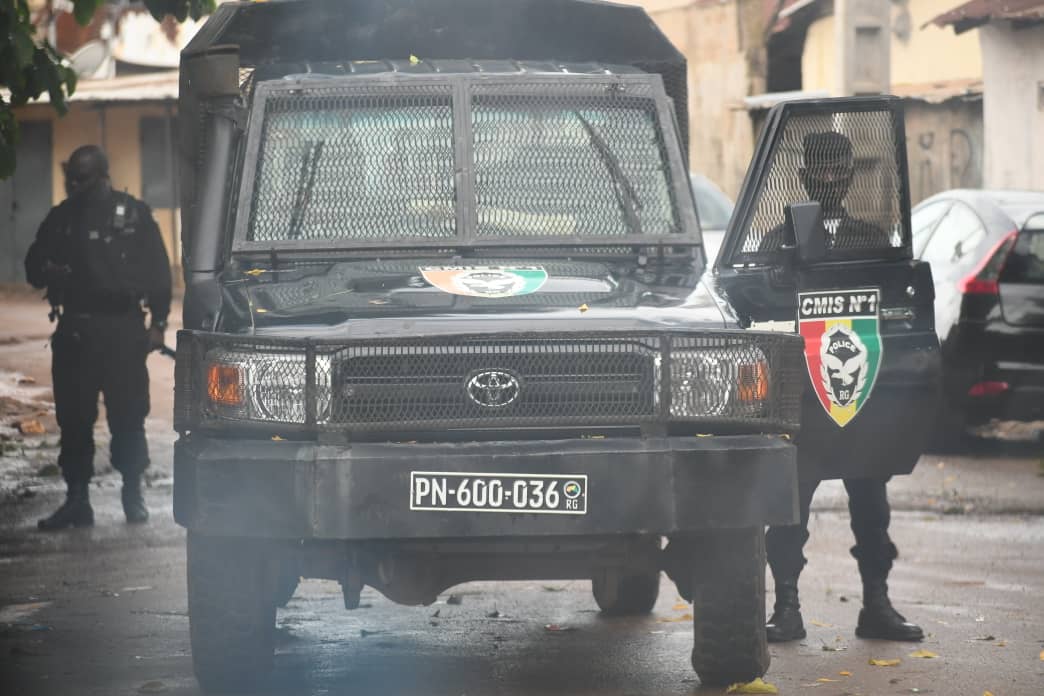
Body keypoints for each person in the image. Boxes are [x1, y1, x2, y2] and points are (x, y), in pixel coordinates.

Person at [762, 131, 924, 643]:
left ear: (852, 177)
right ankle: (786, 607)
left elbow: (893, 308)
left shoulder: (872, 237)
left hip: (858, 391)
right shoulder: (778, 240)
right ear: (805, 177)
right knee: (791, 506)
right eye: (821, 172)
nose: (830, 180)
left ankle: (876, 604)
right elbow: (763, 303)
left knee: (871, 503)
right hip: (802, 395)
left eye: (839, 171)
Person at [25, 145, 171, 531]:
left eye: (83, 177)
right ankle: (77, 500)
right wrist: (48, 268)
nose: (75, 184)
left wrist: (158, 323)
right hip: (76, 331)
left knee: (128, 417)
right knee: (74, 420)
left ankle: (132, 493)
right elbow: (33, 267)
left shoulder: (134, 215)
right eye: (71, 177)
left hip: (122, 330)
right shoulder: (61, 218)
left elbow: (159, 271)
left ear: (103, 175)